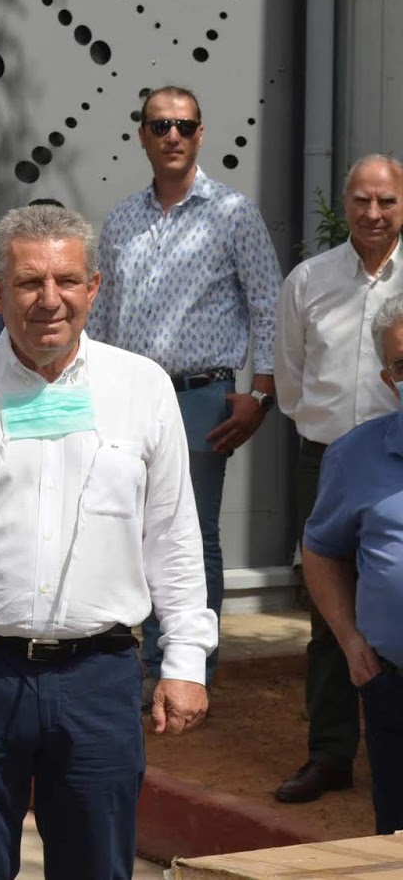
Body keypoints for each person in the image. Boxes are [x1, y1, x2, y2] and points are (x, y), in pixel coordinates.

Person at [0, 203, 218, 879]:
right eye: (29, 282)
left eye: (67, 280)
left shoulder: (141, 387)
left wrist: (185, 658)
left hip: (99, 678)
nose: (49, 299)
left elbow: (174, 534)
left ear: (95, 287)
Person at [87, 85, 281, 696]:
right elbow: (99, 315)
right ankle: (131, 665)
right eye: (160, 125)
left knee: (191, 534)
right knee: (124, 526)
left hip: (201, 397)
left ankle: (184, 668)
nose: (172, 135)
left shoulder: (234, 213)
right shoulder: (121, 218)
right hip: (124, 396)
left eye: (184, 125)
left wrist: (262, 395)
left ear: (201, 134)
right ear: (141, 136)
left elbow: (268, 304)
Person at [274, 153, 403, 804]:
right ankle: (330, 753)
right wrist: (328, 434)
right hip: (326, 458)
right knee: (328, 611)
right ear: (344, 203)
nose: (373, 213)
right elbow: (289, 374)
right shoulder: (309, 280)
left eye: (387, 201)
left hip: (397, 460)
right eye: (361, 200)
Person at [303, 293, 403, 836]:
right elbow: (321, 550)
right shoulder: (354, 456)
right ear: (390, 379)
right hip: (394, 688)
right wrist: (349, 640)